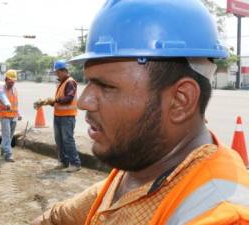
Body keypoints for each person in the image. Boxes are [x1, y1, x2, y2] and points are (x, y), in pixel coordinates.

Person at [31, 0, 249, 224]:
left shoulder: (223, 214)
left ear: (180, 100)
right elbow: (58, 218)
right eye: (89, 83)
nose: (84, 101)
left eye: (106, 86)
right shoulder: (141, 166)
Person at [35, 60, 82, 173]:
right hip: (59, 116)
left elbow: (68, 98)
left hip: (67, 117)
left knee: (68, 140)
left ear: (63, 71)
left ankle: (75, 163)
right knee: (59, 140)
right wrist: (49, 102)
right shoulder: (61, 82)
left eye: (57, 72)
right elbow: (60, 100)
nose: (56, 74)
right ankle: (63, 162)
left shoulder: (70, 82)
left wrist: (54, 100)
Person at [0, 69, 21, 162]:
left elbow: (15, 103)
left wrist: (18, 113)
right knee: (6, 134)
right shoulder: (1, 90)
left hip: (13, 116)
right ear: (6, 80)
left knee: (10, 136)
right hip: (4, 116)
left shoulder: (14, 90)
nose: (12, 83)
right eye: (10, 81)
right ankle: (8, 154)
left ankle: (3, 148)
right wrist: (7, 104)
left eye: (13, 82)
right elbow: (3, 97)